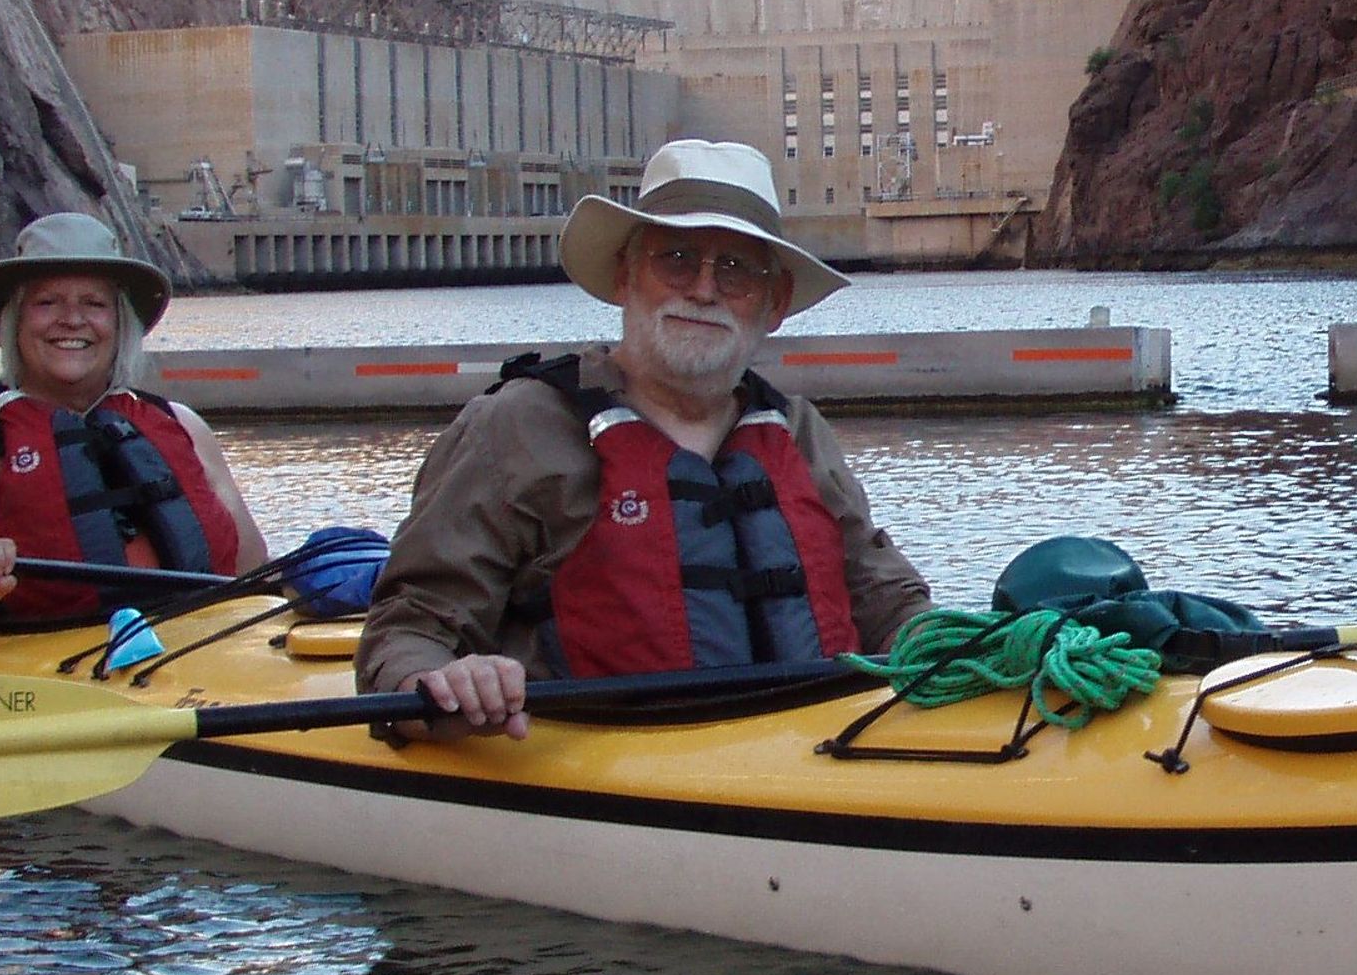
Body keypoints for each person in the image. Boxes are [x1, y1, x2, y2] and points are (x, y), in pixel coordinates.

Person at [357, 140, 930, 736]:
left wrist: (947, 642)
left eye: (736, 270)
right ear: (625, 276)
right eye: (676, 258)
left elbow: (883, 597)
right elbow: (410, 626)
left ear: (775, 302)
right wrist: (438, 682)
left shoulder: (798, 432)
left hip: (800, 752)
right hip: (597, 762)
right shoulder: (515, 426)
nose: (704, 290)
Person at [0, 213, 272, 644]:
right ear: (15, 324)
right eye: (47, 303)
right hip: (53, 671)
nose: (72, 320)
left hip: (200, 650)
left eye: (93, 304)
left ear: (119, 324)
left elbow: (254, 571)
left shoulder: (181, 424)